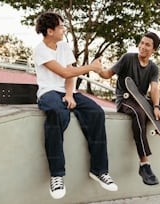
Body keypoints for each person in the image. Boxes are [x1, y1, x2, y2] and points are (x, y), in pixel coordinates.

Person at [33, 11, 118, 199]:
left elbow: (70, 73)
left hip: (67, 91)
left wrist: (70, 95)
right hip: (48, 92)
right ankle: (57, 175)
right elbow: (63, 72)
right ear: (49, 31)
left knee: (96, 112)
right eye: (61, 26)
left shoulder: (63, 46)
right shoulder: (40, 50)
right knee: (57, 113)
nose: (64, 29)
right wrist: (92, 67)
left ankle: (99, 170)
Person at [99, 32, 160, 185]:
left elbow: (154, 88)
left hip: (142, 100)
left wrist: (155, 106)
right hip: (125, 100)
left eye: (147, 45)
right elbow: (107, 74)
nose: (143, 47)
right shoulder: (127, 58)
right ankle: (144, 164)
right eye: (142, 43)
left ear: (153, 50)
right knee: (139, 112)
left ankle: (157, 117)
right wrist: (97, 69)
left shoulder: (153, 68)